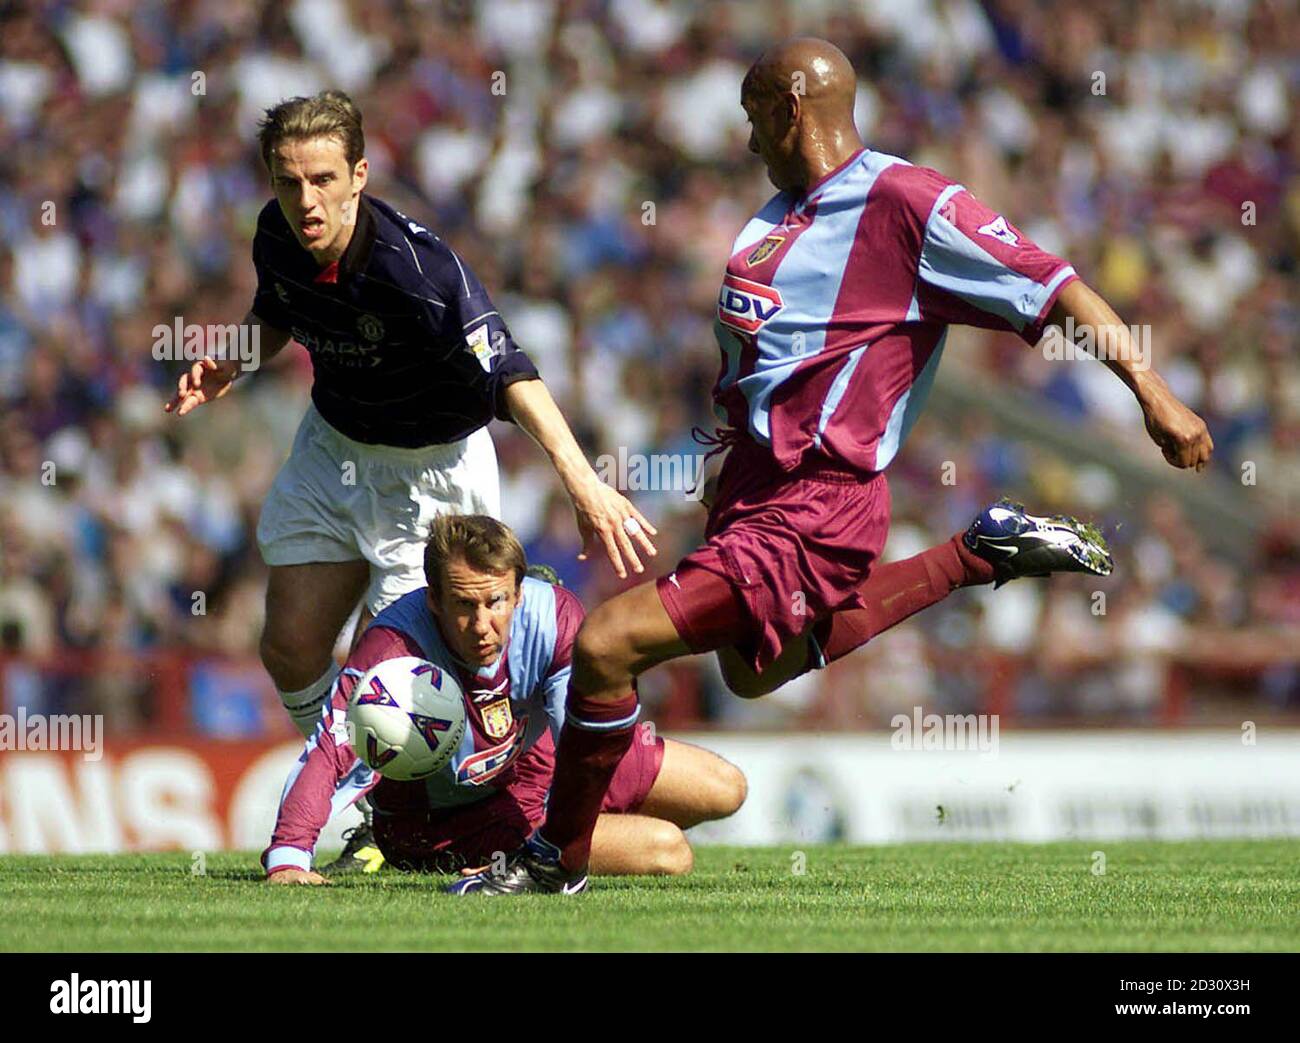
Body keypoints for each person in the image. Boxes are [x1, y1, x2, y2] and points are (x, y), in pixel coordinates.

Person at [453, 38, 1213, 895]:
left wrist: (1152, 388)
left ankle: (557, 857)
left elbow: (1052, 280)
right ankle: (976, 553)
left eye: (752, 120)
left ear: (788, 110)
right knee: (750, 673)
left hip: (819, 504)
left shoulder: (905, 202)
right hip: (752, 488)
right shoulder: (774, 217)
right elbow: (774, 355)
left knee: (605, 643)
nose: (745, 144)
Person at [163, 91, 656, 872]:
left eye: (324, 178)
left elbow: (513, 371)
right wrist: (232, 357)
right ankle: (371, 804)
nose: (306, 199)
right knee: (289, 645)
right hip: (334, 445)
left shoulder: (417, 272)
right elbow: (281, 310)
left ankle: (439, 818)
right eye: (289, 181)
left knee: (392, 668)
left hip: (433, 475)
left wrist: (582, 481)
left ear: (360, 174)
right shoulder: (275, 234)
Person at [262, 514, 744, 885]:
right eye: (464, 605)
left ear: (517, 593)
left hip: (538, 770)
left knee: (726, 787)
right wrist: (289, 854)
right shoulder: (392, 650)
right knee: (667, 849)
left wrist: (567, 817)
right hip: (449, 820)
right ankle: (524, 852)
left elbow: (577, 736)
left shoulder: (552, 615)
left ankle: (579, 833)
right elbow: (329, 750)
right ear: (434, 600)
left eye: (495, 602)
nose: (481, 624)